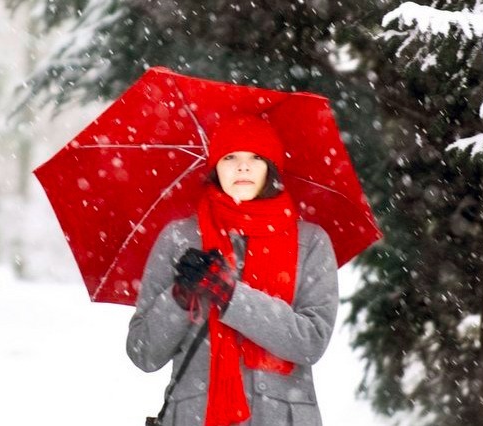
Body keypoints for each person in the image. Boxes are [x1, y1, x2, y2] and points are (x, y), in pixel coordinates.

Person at [127, 114, 339, 426]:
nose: (243, 167)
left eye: (256, 157)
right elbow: (143, 352)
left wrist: (231, 295)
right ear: (215, 167)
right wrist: (180, 297)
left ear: (271, 167)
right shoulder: (179, 238)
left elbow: (310, 341)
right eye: (230, 157)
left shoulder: (310, 242)